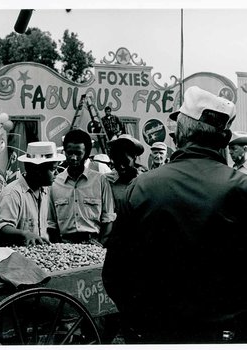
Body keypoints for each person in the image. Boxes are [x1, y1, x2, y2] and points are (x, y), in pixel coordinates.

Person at [102, 86, 247, 343]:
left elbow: (115, 274)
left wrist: (142, 322)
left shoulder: (142, 187)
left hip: (157, 332)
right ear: (224, 138)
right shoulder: (240, 188)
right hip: (226, 335)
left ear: (178, 134)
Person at [48, 129, 116, 246]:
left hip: (94, 244)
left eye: (78, 153)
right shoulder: (55, 183)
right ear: (64, 152)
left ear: (87, 154)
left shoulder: (100, 181)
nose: (73, 158)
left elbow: (108, 218)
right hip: (64, 245)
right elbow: (51, 223)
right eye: (69, 153)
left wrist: (101, 245)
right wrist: (58, 246)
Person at [0, 141, 65, 247]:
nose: (56, 174)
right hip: (16, 258)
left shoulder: (46, 191)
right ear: (37, 170)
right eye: (52, 169)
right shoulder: (13, 194)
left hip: (38, 256)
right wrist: (25, 234)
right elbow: (2, 227)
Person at [105, 134, 146, 213]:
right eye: (118, 162)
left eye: (125, 162)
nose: (122, 167)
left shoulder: (144, 181)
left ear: (134, 157)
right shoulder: (106, 181)